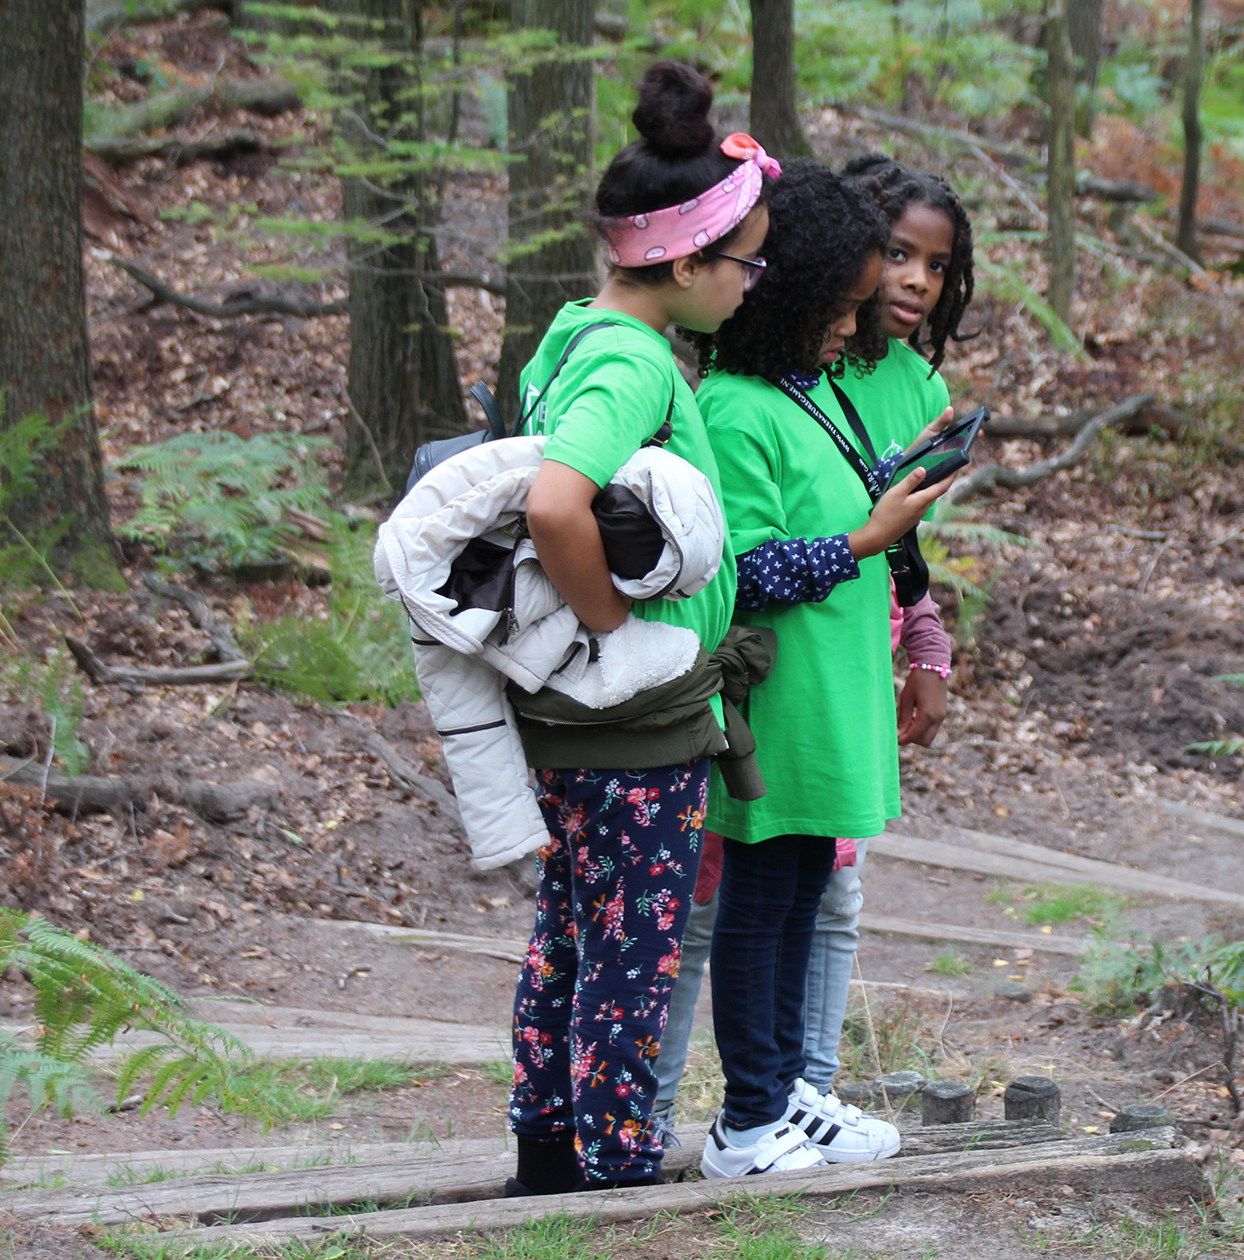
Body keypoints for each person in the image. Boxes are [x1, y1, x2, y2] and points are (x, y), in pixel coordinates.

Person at [648, 153, 974, 1141]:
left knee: (800, 903)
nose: (855, 327)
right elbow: (739, 568)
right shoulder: (740, 408)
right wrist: (865, 537)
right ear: (793, 298)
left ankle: (787, 1097)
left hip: (830, 690)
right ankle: (744, 1122)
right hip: (774, 708)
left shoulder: (818, 391)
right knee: (750, 911)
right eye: (841, 309)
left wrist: (898, 489)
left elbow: (838, 505)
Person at [497, 59, 774, 1197]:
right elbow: (556, 501)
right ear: (685, 258)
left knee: (570, 931)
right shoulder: (625, 358)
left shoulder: (573, 333)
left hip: (578, 716)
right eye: (745, 260)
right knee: (629, 945)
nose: (754, 281)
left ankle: (548, 1154)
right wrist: (617, 628)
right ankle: (613, 1172)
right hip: (629, 719)